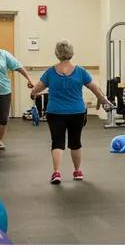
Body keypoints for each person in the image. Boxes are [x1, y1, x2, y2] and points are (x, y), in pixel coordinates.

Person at [31, 40, 114, 185]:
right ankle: (77, 172)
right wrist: (104, 100)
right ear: (71, 53)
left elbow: (36, 89)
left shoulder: (50, 72)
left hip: (55, 112)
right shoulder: (80, 71)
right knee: (75, 142)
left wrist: (33, 93)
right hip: (77, 112)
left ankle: (56, 173)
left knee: (57, 142)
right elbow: (94, 88)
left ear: (57, 53)